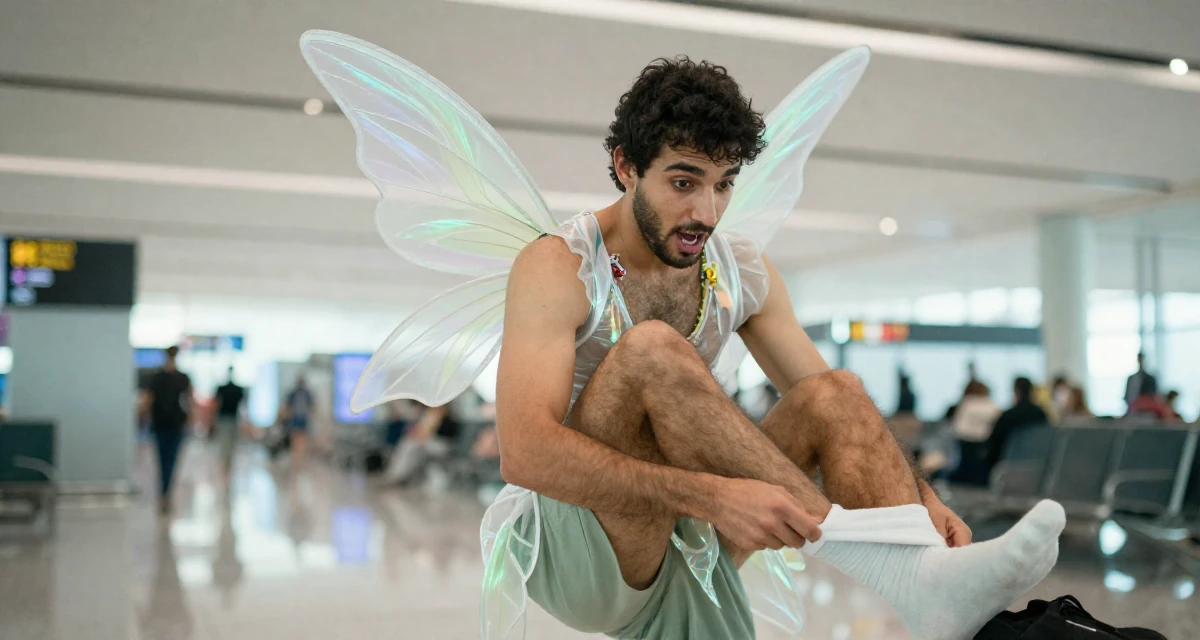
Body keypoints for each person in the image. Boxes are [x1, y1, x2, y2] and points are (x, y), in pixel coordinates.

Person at [302, 35, 1064, 640]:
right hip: (584, 553)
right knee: (650, 350)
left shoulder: (741, 271)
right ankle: (895, 568)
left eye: (725, 183)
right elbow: (524, 453)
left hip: (687, 532)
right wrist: (717, 495)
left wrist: (921, 497)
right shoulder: (556, 266)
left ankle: (927, 579)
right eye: (683, 179)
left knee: (835, 393)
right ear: (624, 166)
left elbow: (827, 401)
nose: (706, 208)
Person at [146, 346, 192, 514]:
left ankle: (164, 492)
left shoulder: (157, 378)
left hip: (161, 423)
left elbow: (148, 401)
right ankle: (166, 492)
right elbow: (190, 402)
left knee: (162, 459)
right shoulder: (182, 378)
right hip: (175, 424)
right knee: (170, 460)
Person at [984, 377, 1050, 474]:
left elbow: (994, 443)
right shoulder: (1041, 414)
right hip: (1037, 466)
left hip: (1009, 466)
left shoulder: (1009, 415)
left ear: (1016, 391)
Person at [212, 367, 246, 474]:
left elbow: (216, 404)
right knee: (229, 442)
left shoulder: (224, 389)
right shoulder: (236, 389)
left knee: (226, 442)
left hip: (227, 419)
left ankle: (226, 461)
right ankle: (226, 461)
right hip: (229, 419)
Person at [283, 376, 315, 463]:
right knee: (295, 438)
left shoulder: (307, 394)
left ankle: (301, 455)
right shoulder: (293, 394)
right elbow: (288, 406)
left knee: (303, 438)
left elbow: (312, 406)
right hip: (295, 419)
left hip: (303, 419)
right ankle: (295, 455)